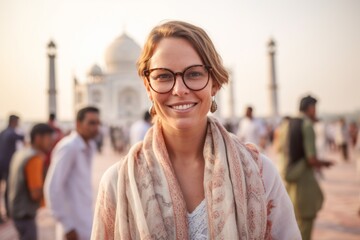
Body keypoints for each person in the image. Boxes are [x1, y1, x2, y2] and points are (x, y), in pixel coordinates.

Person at [91, 21, 300, 239]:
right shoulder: (119, 182)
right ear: (147, 86)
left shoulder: (259, 174)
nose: (179, 90)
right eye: (163, 76)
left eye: (194, 74)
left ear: (215, 83)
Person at [281, 95, 333, 240]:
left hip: (289, 176)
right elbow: (311, 159)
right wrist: (324, 163)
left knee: (294, 221)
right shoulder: (307, 125)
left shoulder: (288, 124)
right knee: (306, 221)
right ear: (310, 108)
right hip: (303, 179)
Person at [45, 107, 100, 240]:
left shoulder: (90, 146)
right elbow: (52, 188)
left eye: (98, 123)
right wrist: (67, 226)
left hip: (85, 220)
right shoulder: (69, 147)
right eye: (91, 123)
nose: (96, 127)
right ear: (78, 124)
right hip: (72, 227)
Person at [7, 123, 54, 240]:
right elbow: (35, 194)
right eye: (49, 138)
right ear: (38, 138)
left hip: (15, 210)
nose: (51, 142)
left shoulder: (21, 153)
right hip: (25, 214)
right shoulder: (35, 158)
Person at [0, 115, 25, 222]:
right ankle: (9, 212)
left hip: (2, 163)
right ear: (13, 122)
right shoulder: (12, 133)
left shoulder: (3, 132)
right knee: (9, 189)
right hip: (7, 164)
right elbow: (23, 138)